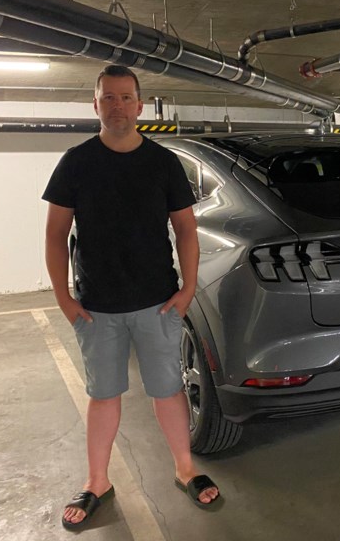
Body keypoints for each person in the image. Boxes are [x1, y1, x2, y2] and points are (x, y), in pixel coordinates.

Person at [43, 64, 221, 530]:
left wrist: (186, 289)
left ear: (141, 105)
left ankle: (184, 468)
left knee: (168, 390)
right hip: (97, 307)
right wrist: (64, 298)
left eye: (125, 98)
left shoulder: (162, 162)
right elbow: (55, 234)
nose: (117, 106)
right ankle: (97, 481)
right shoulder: (76, 162)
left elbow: (186, 228)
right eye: (108, 98)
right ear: (95, 104)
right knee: (104, 396)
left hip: (157, 302)